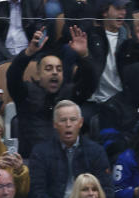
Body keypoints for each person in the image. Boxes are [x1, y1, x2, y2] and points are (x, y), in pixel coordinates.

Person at [6, 26, 97, 158]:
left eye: (59, 69)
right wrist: (28, 53)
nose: (55, 72)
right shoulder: (25, 93)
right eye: (48, 68)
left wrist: (83, 56)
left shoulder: (69, 94)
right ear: (38, 74)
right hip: (34, 160)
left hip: (67, 160)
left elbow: (90, 83)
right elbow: (12, 76)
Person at [28, 100, 114, 198]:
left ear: (80, 122)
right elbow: (37, 193)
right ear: (55, 124)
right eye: (63, 120)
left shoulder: (96, 151)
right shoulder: (40, 152)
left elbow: (107, 188)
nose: (68, 125)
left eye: (73, 120)